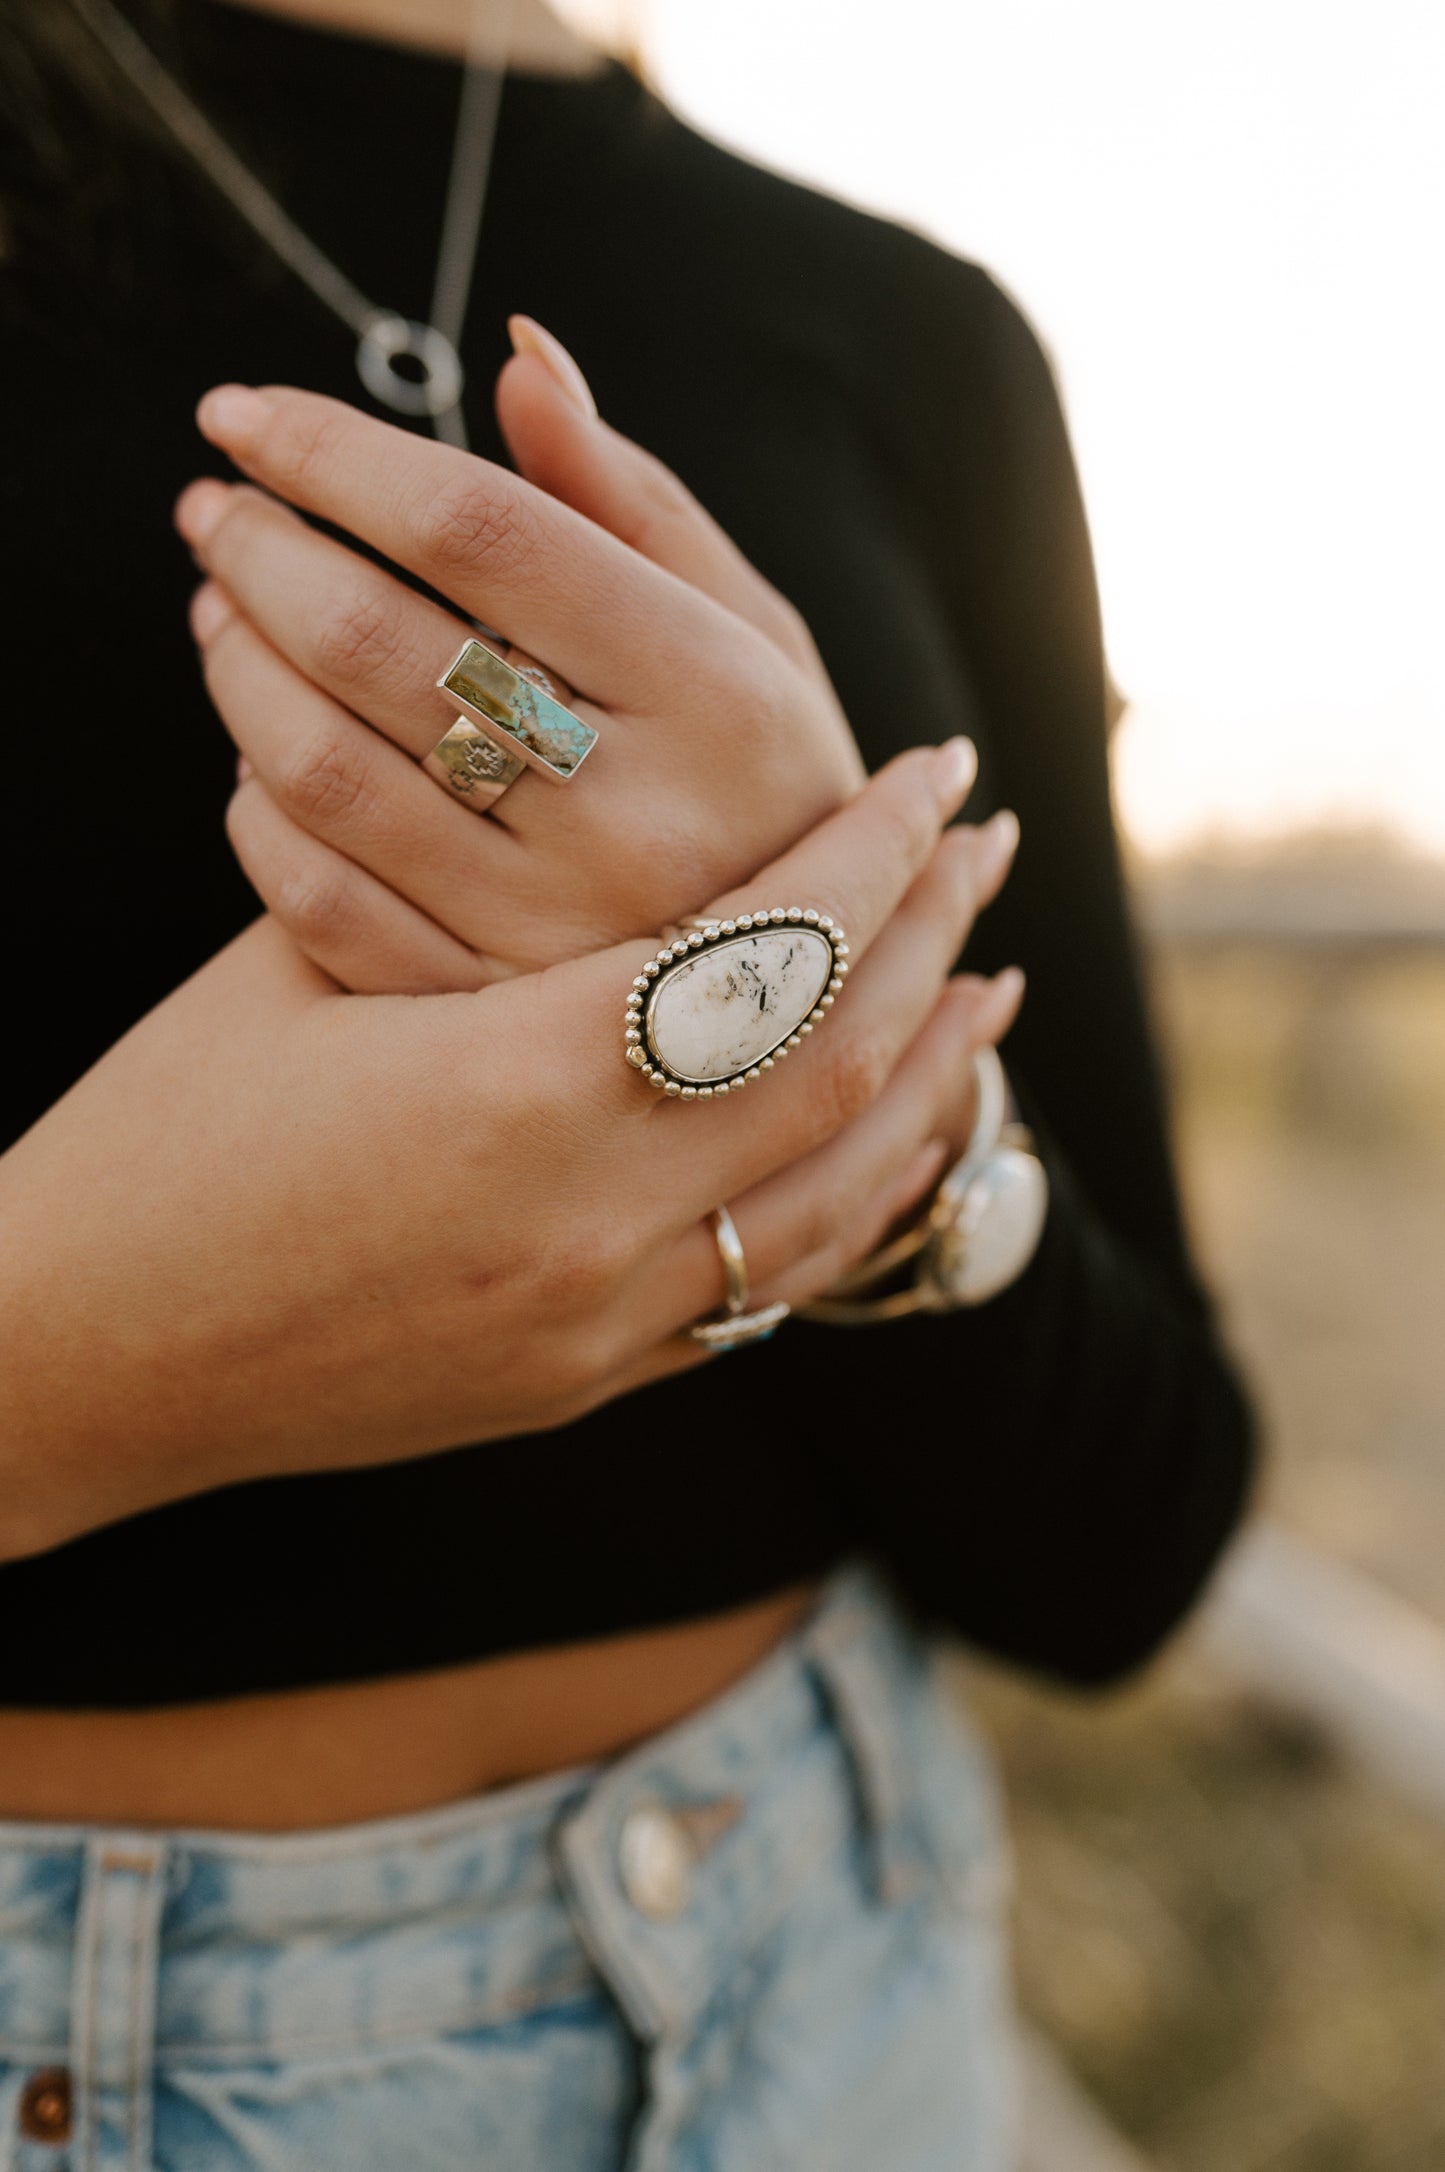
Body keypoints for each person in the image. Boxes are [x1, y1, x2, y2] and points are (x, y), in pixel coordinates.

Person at [0, 1, 1256, 2165]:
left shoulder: (907, 331)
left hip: (830, 1978)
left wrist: (839, 1053)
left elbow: (1124, 1542)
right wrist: (70, 1363)